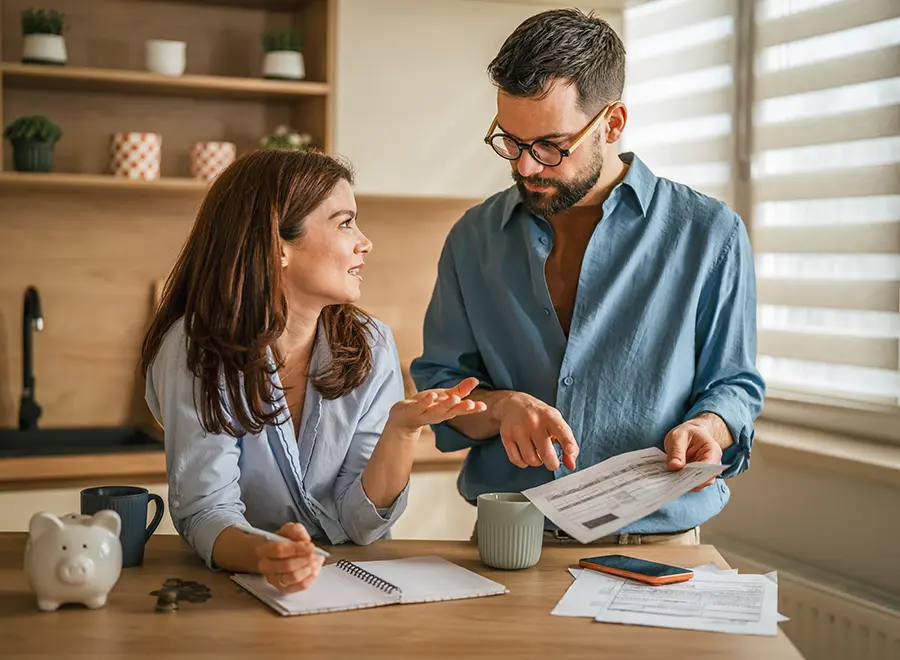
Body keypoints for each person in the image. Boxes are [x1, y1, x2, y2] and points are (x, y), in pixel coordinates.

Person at [410, 9, 765, 546]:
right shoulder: (472, 237)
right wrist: (503, 407)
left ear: (612, 123)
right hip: (509, 542)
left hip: (657, 546)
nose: (526, 167)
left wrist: (710, 427)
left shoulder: (710, 233)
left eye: (550, 146)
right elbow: (440, 386)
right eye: (510, 141)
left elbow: (733, 383)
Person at [141, 149, 485, 592]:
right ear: (279, 246)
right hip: (244, 589)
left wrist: (401, 430)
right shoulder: (197, 350)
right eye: (345, 223)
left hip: (356, 588)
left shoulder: (371, 344)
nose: (365, 241)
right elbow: (206, 512)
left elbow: (360, 526)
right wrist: (270, 555)